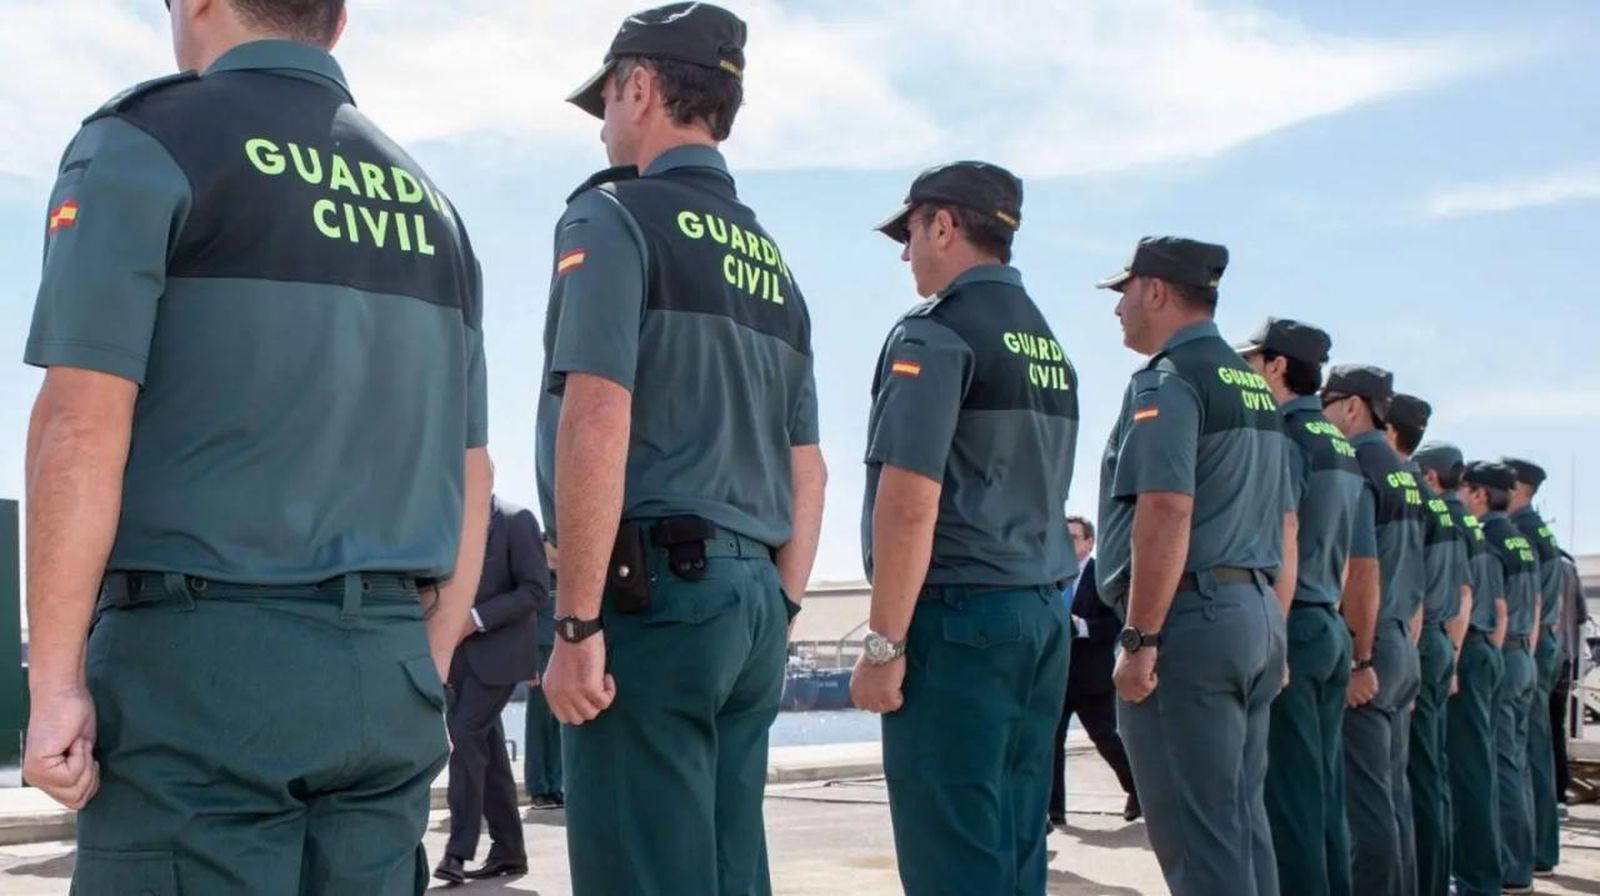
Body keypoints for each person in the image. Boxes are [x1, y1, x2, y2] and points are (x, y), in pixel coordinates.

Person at [19, 1, 493, 892]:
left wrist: (53, 688)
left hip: (202, 677)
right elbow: (474, 467)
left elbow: (79, 423)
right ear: (338, 21)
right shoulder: (433, 205)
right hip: (385, 675)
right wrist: (421, 660)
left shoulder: (146, 142)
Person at [536, 5, 826, 894]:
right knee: (730, 865)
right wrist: (780, 602)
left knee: (642, 870)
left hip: (655, 599)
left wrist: (578, 620)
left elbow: (596, 412)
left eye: (610, 100)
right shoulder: (772, 261)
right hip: (749, 603)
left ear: (641, 85)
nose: (608, 122)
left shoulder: (614, 215)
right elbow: (804, 461)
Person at [854, 160, 1076, 894]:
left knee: (952, 848)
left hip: (961, 623)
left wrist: (884, 643)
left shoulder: (936, 334)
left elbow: (910, 497)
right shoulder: (1050, 349)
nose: (905, 252)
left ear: (943, 225)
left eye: (910, 231)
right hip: (1039, 614)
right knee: (1013, 841)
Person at [1095, 237, 1294, 896]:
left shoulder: (1169, 379)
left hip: (1190, 621)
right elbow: (1285, 524)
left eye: (1124, 292)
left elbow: (1166, 508)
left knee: (1198, 841)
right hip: (1252, 612)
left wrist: (1140, 637)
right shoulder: (1255, 390)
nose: (1118, 307)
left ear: (1155, 291)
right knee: (1239, 825)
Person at [1237, 318, 1363, 896]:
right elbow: (1354, 556)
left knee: (1288, 798)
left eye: (1253, 360)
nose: (1244, 371)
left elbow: (1286, 531)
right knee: (1323, 790)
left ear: (1277, 367)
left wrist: (1276, 637)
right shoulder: (1339, 444)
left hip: (1296, 620)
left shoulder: (1285, 435)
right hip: (1328, 620)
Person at [1320, 365, 1426, 896]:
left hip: (1371, 641)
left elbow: (1363, 569)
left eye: (1327, 401)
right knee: (1390, 797)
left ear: (1353, 406)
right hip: (1400, 640)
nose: (1322, 411)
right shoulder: (1405, 472)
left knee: (1363, 807)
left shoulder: (1359, 464)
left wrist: (1360, 659)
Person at [436, 497, 549, 884]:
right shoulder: (445, 520)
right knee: (491, 753)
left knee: (465, 736)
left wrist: (477, 619)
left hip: (501, 658)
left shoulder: (518, 521)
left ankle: (457, 852)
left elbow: (536, 590)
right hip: (456, 659)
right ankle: (510, 851)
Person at [1386, 395, 1469, 896]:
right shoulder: (1455, 519)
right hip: (1436, 643)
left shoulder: (1411, 498)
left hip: (1413, 640)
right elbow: (1463, 595)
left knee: (1405, 775)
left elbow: (1411, 589)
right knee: (1430, 774)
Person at [1418, 444, 1505, 896]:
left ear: (1431, 478)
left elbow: (1461, 596)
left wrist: (1450, 659)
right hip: (1467, 644)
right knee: (1455, 770)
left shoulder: (1439, 516)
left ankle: (1469, 879)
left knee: (1449, 770)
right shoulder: (1472, 526)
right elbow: (1483, 599)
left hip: (1447, 643)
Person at [1459, 461, 1540, 894]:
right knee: (1514, 765)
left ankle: (1501, 870)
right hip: (1522, 653)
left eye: (1465, 490)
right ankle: (1519, 866)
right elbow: (1538, 604)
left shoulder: (1489, 538)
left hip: (1499, 652)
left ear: (1479, 495)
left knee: (1490, 766)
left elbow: (1497, 610)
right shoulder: (1520, 540)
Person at [1050, 515, 1139, 829]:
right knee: (1050, 742)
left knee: (1106, 738)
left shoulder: (1103, 576)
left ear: (1089, 541)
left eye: (1073, 537)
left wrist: (1082, 626)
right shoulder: (1051, 576)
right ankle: (1054, 811)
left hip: (1092, 677)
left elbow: (1119, 622)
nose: (1066, 542)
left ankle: (1136, 790)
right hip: (1056, 675)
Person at [1502, 457, 1563, 878]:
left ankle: (1526, 853)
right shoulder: (1540, 531)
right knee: (1534, 751)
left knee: (1519, 754)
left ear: (1520, 488)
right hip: (1540, 644)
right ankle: (1541, 849)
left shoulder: (1520, 530)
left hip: (1527, 642)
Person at [524, 535, 563, 812]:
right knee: (538, 725)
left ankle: (556, 786)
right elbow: (525, 619)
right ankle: (538, 788)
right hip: (538, 654)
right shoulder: (535, 575)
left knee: (561, 722)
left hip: (562, 651)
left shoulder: (566, 578)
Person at [1552, 549, 1588, 820]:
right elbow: (1581, 616)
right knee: (1555, 728)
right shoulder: (1568, 564)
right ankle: (1558, 795)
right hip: (1565, 658)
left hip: (1540, 655)